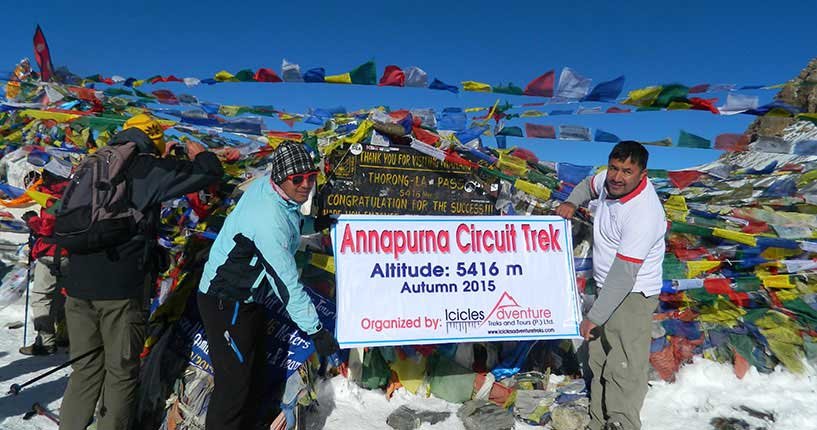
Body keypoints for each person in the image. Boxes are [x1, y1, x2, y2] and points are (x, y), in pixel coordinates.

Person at [59, 114, 224, 430]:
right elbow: (209, 172)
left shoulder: (92, 164)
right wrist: (196, 150)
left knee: (84, 370)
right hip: (120, 291)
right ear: (154, 140)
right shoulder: (148, 167)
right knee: (121, 373)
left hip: (77, 285)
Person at [198, 140, 339, 430]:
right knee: (233, 386)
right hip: (226, 300)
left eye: (311, 178)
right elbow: (286, 283)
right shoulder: (267, 219)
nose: (306, 185)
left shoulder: (272, 190)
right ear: (280, 178)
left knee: (254, 372)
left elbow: (291, 222)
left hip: (247, 298)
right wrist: (315, 330)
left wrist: (315, 224)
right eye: (297, 179)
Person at [555, 141, 666, 430]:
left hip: (632, 293)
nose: (617, 177)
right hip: (606, 287)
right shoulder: (609, 180)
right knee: (599, 357)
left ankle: (622, 422)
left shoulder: (644, 212)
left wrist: (594, 317)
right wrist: (571, 201)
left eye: (627, 171)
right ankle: (598, 419)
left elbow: (625, 273)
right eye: (614, 168)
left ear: (642, 173)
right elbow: (588, 185)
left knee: (624, 363)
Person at [19, 159, 71, 356]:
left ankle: (46, 341)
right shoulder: (75, 192)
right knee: (63, 295)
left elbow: (47, 227)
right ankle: (65, 336)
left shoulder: (52, 197)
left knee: (42, 296)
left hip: (51, 253)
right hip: (71, 252)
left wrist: (31, 218)